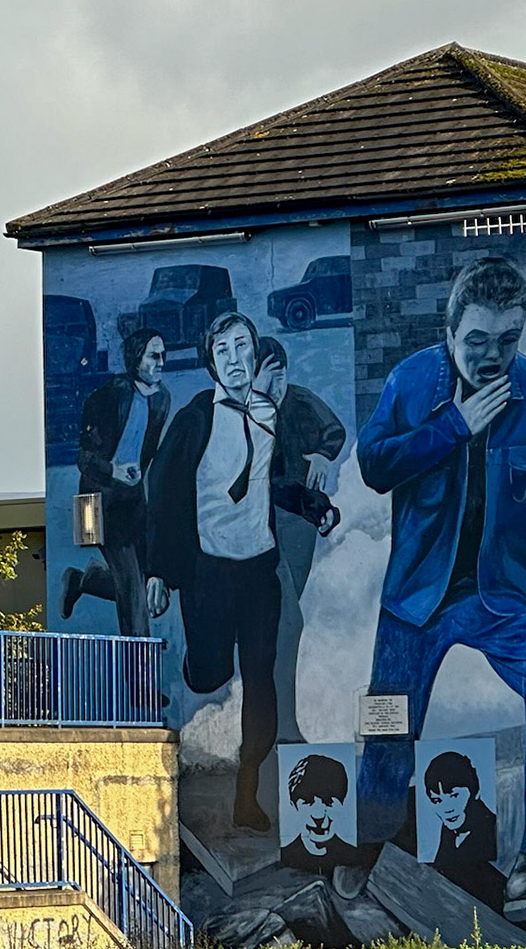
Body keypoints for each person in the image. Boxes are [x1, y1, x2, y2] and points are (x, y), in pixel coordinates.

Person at [355, 257, 526, 923]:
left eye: (507, 341)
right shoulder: (411, 380)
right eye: (477, 342)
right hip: (416, 599)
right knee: (387, 729)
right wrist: (455, 426)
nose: (493, 357)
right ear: (450, 329)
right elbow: (375, 463)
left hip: (493, 594)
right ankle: (364, 851)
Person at [145, 313, 339, 830]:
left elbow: (274, 484)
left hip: (258, 571)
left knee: (261, 678)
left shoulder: (268, 416)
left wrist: (314, 506)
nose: (236, 360)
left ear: (255, 356)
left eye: (244, 349)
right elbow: (162, 491)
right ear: (211, 360)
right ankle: (199, 664)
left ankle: (247, 793)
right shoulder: (194, 418)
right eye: (225, 350)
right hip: (208, 572)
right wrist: (160, 571)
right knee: (213, 674)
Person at [256, 336, 347, 741]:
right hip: (260, 527)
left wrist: (324, 457)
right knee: (286, 620)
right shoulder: (243, 415)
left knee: (282, 618)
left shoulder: (300, 402)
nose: (277, 386)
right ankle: (282, 726)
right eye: (268, 377)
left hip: (300, 523)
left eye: (282, 376)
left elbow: (335, 430)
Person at [61, 328, 172, 634]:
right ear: (137, 360)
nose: (162, 362)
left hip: (134, 501)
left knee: (147, 589)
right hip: (96, 502)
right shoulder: (108, 396)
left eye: (163, 355)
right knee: (135, 593)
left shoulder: (162, 399)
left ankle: (87, 580)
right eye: (154, 356)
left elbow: (147, 453)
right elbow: (83, 458)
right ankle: (141, 675)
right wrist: (113, 470)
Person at [419, 750, 504, 913]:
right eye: (437, 800)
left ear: (475, 791)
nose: (447, 808)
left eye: (454, 796)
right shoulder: (449, 831)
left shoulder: (492, 829)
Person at [281, 751, 371, 874]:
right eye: (307, 802)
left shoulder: (356, 860)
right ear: (293, 804)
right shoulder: (283, 858)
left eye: (329, 802)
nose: (318, 815)